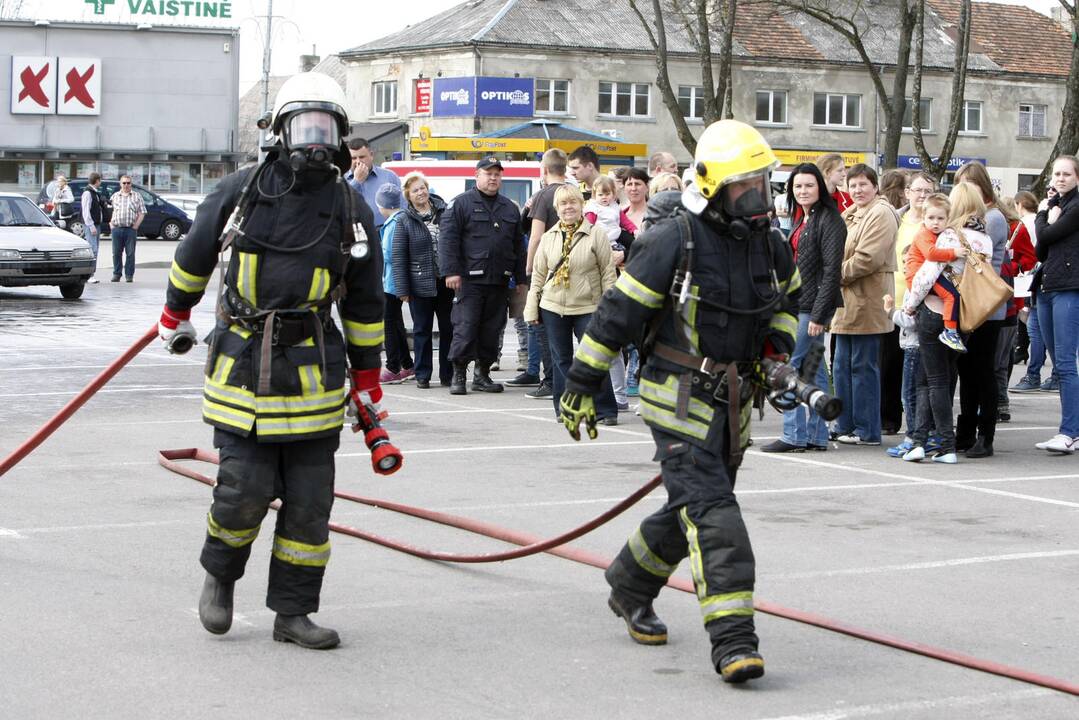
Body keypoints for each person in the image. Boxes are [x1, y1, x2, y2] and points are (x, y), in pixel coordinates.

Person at [558, 120, 800, 684]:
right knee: (714, 515)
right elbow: (617, 316)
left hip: (734, 402)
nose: (759, 198)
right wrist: (580, 384)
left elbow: (789, 302)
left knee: (688, 506)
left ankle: (629, 583)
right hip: (677, 398)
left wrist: (776, 347)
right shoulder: (674, 239)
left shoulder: (768, 242)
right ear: (713, 188)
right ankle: (734, 640)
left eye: (763, 185)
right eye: (747, 188)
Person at [156, 71, 387, 649]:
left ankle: (293, 613)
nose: (315, 138)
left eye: (325, 127)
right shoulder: (240, 191)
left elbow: (364, 302)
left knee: (310, 508)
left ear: (340, 137)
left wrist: (367, 379)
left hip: (314, 370)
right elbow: (192, 256)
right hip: (243, 364)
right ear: (279, 132)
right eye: (304, 125)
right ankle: (220, 580)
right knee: (242, 494)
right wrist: (173, 314)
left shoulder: (352, 209)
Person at [901, 184, 994, 463]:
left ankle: (942, 444)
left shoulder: (949, 236)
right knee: (932, 377)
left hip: (934, 310)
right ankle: (921, 441)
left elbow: (926, 277)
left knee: (933, 380)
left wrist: (910, 304)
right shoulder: (984, 239)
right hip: (965, 315)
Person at [762, 163, 845, 453]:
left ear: (820, 187)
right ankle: (817, 436)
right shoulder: (802, 217)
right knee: (815, 372)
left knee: (789, 367)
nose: (803, 190)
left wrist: (820, 315)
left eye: (808, 185)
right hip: (799, 303)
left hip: (813, 306)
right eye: (798, 186)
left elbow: (832, 271)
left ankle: (793, 435)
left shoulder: (830, 219)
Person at [525, 184, 618, 422]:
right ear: (556, 208)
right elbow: (538, 275)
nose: (568, 207)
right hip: (553, 307)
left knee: (593, 359)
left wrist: (609, 308)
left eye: (573, 202)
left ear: (581, 205)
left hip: (588, 306)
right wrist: (531, 307)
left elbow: (608, 272)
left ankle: (605, 410)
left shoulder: (596, 233)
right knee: (561, 360)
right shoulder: (548, 237)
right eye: (563, 203)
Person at [439, 156, 526, 395]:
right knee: (465, 329)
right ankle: (458, 375)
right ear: (477, 175)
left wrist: (520, 279)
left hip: (498, 280)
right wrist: (451, 271)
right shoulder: (460, 204)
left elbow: (518, 246)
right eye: (489, 173)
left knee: (492, 331)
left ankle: (482, 374)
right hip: (469, 281)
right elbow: (448, 239)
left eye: (497, 174)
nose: (493, 178)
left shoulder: (509, 207)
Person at [830, 164, 897, 446]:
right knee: (842, 365)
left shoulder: (881, 213)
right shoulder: (852, 213)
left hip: (867, 300)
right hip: (846, 301)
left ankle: (867, 429)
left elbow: (868, 258)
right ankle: (845, 424)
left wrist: (832, 275)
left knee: (862, 367)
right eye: (852, 184)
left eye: (863, 184)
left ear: (875, 186)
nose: (857, 190)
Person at [951, 162, 1007, 458]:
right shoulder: (970, 219)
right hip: (967, 305)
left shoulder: (993, 218)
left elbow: (976, 256)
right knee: (967, 372)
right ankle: (965, 431)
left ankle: (985, 434)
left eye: (968, 184)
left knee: (983, 372)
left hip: (986, 307)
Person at [886, 172, 937, 456]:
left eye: (927, 191)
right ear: (907, 192)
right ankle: (908, 428)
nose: (921, 195)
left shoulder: (936, 227)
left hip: (921, 304)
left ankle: (919, 433)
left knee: (918, 376)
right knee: (897, 369)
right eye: (917, 190)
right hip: (895, 298)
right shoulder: (897, 218)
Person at [1032, 155, 1079, 453]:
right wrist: (1047, 215)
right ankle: (1070, 429)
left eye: (1066, 174)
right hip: (1048, 287)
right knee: (1059, 363)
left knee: (1064, 362)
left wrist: (1042, 216)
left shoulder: (1074, 207)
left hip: (1068, 289)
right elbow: (1039, 251)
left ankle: (1069, 431)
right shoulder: (1057, 206)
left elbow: (1046, 234)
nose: (1060, 178)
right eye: (1056, 174)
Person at [511, 148, 568, 396]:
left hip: (546, 268)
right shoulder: (572, 193)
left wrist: (529, 267)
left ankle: (551, 380)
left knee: (539, 325)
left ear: (543, 170)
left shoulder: (544, 196)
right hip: (571, 267)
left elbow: (535, 235)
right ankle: (562, 379)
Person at [393, 172, 453, 389]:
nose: (421, 192)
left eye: (423, 187)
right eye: (415, 190)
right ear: (408, 195)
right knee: (421, 331)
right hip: (419, 284)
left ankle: (448, 374)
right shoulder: (404, 219)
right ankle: (422, 374)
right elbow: (398, 257)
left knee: (449, 329)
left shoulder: (446, 212)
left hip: (446, 283)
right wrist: (403, 289)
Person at [904, 194, 969, 352]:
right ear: (923, 217)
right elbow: (931, 254)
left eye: (940, 218)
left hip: (928, 276)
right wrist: (954, 252)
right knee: (951, 295)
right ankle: (950, 331)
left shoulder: (938, 234)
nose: (935, 222)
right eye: (931, 217)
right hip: (919, 276)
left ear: (948, 219)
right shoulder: (923, 234)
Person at [995, 196, 1037, 422]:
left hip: (1009, 297)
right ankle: (998, 401)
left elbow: (1029, 260)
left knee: (1001, 356)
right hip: (993, 298)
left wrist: (1008, 267)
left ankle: (1000, 402)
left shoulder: (1015, 229)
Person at [377, 183, 415, 384]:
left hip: (392, 281)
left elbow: (391, 254)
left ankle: (393, 366)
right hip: (396, 281)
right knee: (396, 322)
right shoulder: (405, 218)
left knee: (388, 324)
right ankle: (407, 364)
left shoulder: (393, 223)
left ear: (382, 205)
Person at [345, 137, 401, 230]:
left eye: (362, 157)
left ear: (371, 155)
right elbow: (341, 203)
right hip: (352, 235)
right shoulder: (341, 179)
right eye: (353, 158)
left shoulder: (389, 176)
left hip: (383, 232)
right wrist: (356, 181)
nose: (358, 161)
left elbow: (402, 207)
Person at [109, 174, 145, 283]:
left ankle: (129, 275)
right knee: (116, 253)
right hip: (117, 229)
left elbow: (142, 212)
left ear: (131, 184)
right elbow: (111, 210)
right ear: (120, 184)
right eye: (124, 183)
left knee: (130, 253)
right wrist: (111, 224)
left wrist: (136, 226)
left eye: (128, 183)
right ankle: (117, 274)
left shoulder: (137, 196)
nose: (126, 185)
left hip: (130, 229)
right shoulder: (115, 196)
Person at [584, 175, 637, 245]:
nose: (604, 197)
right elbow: (588, 226)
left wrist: (634, 230)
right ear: (594, 195)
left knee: (634, 242)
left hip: (616, 234)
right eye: (600, 195)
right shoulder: (592, 208)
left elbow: (625, 221)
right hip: (600, 238)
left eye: (607, 194)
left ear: (613, 193)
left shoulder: (614, 206)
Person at [80, 172, 104, 284]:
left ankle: (92, 273)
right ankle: (89, 275)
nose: (101, 182)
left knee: (95, 249)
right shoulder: (88, 193)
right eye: (100, 180)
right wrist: (91, 225)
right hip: (91, 225)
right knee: (92, 249)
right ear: (97, 180)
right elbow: (86, 211)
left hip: (96, 224)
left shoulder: (94, 192)